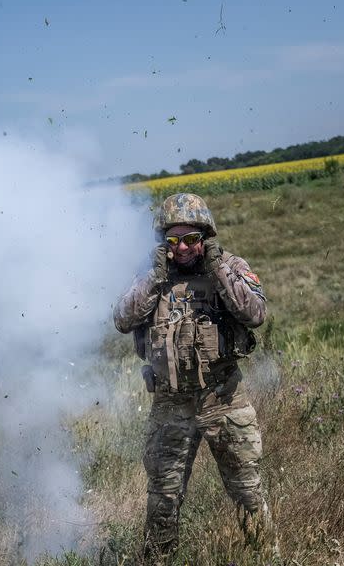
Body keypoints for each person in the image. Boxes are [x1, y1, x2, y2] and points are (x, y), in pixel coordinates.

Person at [113, 193, 274, 560]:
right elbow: (122, 319)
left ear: (205, 237)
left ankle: (268, 558)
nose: (182, 248)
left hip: (224, 400)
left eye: (190, 239)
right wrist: (155, 276)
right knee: (163, 501)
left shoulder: (228, 267)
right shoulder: (151, 276)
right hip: (170, 404)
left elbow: (255, 313)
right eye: (173, 241)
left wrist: (218, 270)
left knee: (248, 494)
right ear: (163, 243)